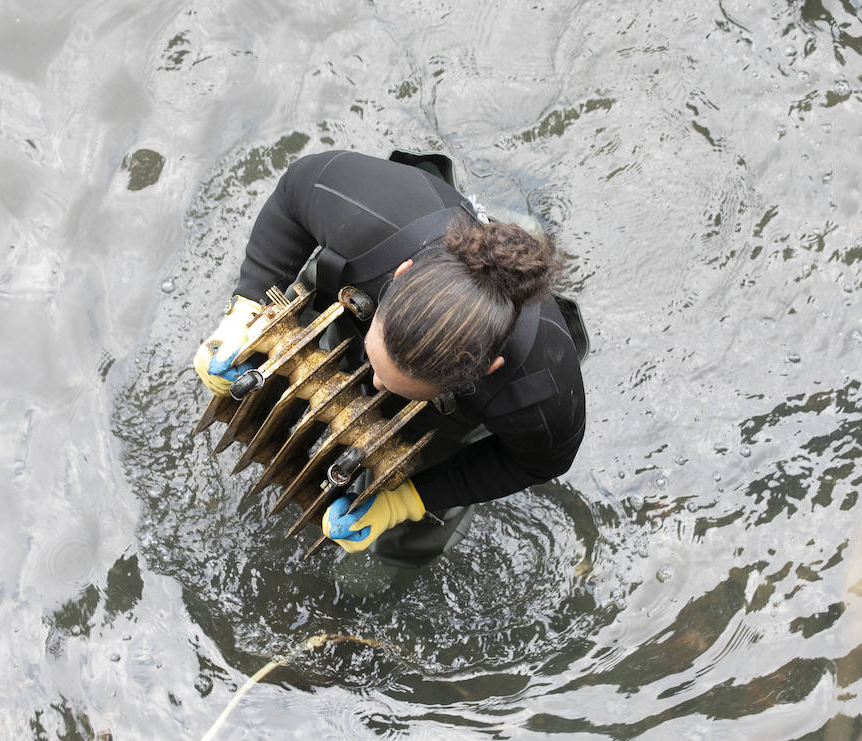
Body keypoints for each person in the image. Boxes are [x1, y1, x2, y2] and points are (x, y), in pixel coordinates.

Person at [193, 149, 587, 566]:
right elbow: (295, 190)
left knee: (411, 535)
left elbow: (539, 462)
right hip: (374, 272)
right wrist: (246, 310)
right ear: (401, 274)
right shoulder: (376, 212)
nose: (375, 385)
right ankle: (509, 229)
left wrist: (408, 501)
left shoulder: (540, 393)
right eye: (377, 368)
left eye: (390, 383)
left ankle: (529, 235)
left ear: (485, 371)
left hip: (461, 409)